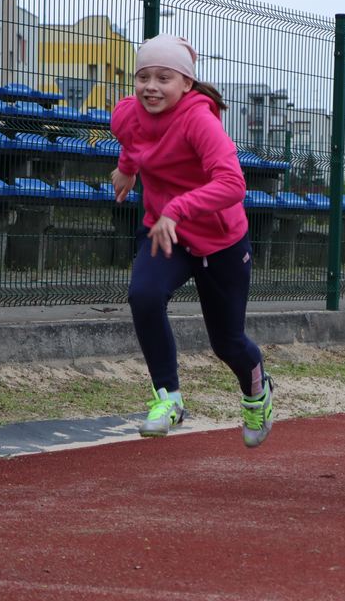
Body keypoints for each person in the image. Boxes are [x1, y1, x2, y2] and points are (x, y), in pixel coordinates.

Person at [110, 33, 273, 447]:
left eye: (163, 77)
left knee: (227, 342)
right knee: (144, 295)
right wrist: (126, 169)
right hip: (167, 233)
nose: (150, 86)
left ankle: (257, 393)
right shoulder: (125, 115)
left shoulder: (199, 119)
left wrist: (177, 208)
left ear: (186, 84)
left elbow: (233, 184)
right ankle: (168, 399)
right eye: (143, 77)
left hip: (221, 240)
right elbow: (133, 141)